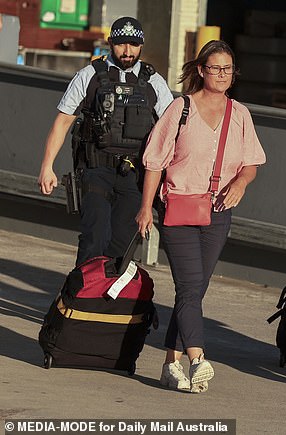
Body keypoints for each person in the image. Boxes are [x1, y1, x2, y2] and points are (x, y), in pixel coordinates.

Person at [135, 40, 266, 393]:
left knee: (194, 290)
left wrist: (241, 182)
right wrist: (146, 208)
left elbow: (252, 162)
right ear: (201, 70)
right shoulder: (181, 108)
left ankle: (169, 365)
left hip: (219, 211)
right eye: (214, 68)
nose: (221, 74)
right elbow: (155, 162)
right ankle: (197, 358)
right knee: (190, 287)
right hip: (178, 206)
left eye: (227, 69)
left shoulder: (240, 114)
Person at [37, 17, 173, 266]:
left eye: (134, 45)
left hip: (135, 174)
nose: (128, 51)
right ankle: (82, 296)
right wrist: (47, 166)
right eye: (122, 44)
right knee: (95, 236)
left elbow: (171, 133)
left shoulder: (154, 82)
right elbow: (63, 122)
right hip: (95, 169)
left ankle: (110, 299)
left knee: (123, 242)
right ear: (111, 43)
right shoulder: (88, 75)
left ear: (142, 45)